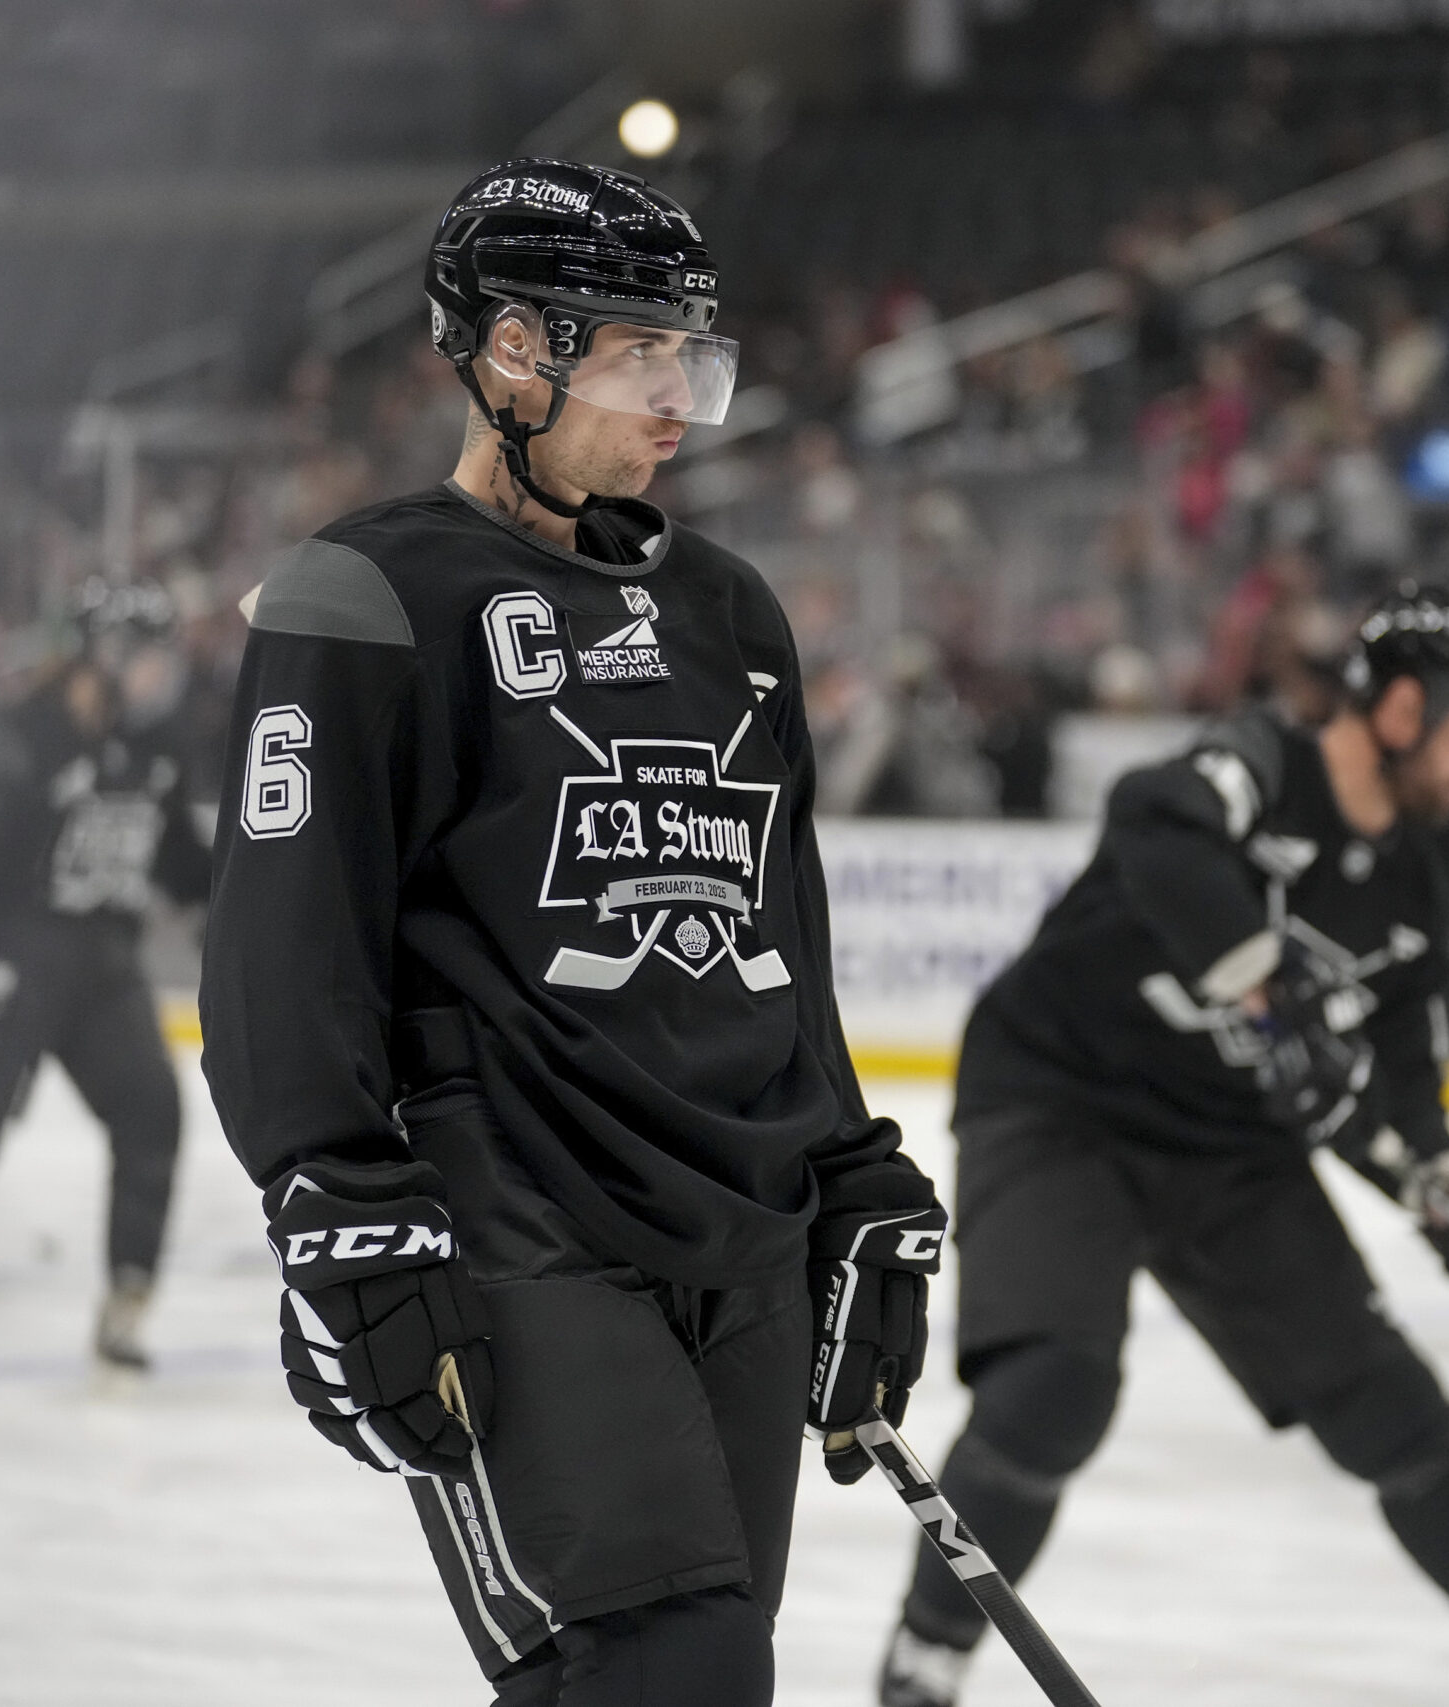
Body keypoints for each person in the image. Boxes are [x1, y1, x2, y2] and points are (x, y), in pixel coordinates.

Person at [202, 158, 943, 1706]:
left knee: (694, 1662)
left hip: (740, 1217)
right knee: (668, 1657)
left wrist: (848, 1167)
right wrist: (332, 1193)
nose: (682, 396)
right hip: (515, 1210)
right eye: (642, 350)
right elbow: (287, 942)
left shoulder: (733, 611)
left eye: (694, 355)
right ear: (516, 351)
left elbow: (776, 937)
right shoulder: (364, 593)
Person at [878, 585, 1449, 1707]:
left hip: (1226, 1147)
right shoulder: (1259, 765)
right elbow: (1153, 822)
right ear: (1401, 709)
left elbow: (1401, 1087)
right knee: (1055, 1385)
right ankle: (929, 1649)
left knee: (1390, 1405)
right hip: (1059, 1100)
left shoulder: (1415, 901)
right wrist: (1266, 982)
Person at [0, 579, 211, 1376]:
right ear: (104, 656)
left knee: (153, 1115)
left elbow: (181, 862)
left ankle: (126, 1306)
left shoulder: (155, 746)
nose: (162, 674)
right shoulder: (19, 737)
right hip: (9, 949)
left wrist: (237, 912)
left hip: (103, 959)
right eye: (150, 656)